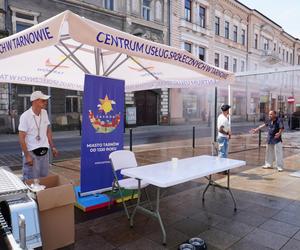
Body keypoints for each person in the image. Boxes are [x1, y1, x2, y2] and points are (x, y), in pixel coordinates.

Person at [18, 91, 59, 180]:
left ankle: (42, 194)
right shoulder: (25, 116)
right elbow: (21, 138)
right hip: (32, 153)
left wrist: (53, 147)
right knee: (31, 180)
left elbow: (48, 131)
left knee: (44, 178)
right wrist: (27, 156)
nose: (46, 103)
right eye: (43, 101)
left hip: (44, 152)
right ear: (35, 101)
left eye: (45, 101)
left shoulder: (44, 112)